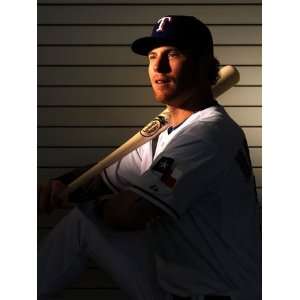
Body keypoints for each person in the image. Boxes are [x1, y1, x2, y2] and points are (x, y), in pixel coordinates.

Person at [38, 15, 261, 300]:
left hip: (222, 294)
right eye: (152, 56)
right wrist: (59, 187)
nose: (158, 66)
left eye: (173, 54)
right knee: (82, 223)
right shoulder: (167, 135)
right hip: (177, 288)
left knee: (90, 217)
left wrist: (100, 205)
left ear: (205, 63)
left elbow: (129, 213)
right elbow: (101, 178)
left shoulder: (209, 133)